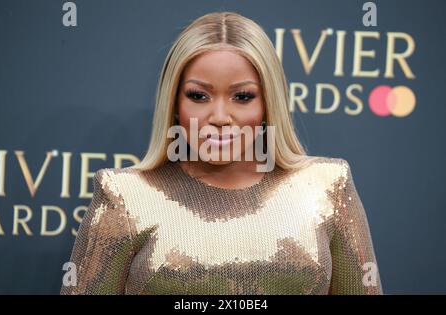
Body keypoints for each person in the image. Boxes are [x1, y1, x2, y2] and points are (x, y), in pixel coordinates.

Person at [60, 11, 382, 295]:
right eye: (199, 96)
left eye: (242, 96)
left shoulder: (327, 187)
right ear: (174, 104)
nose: (219, 116)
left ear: (269, 104)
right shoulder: (126, 197)